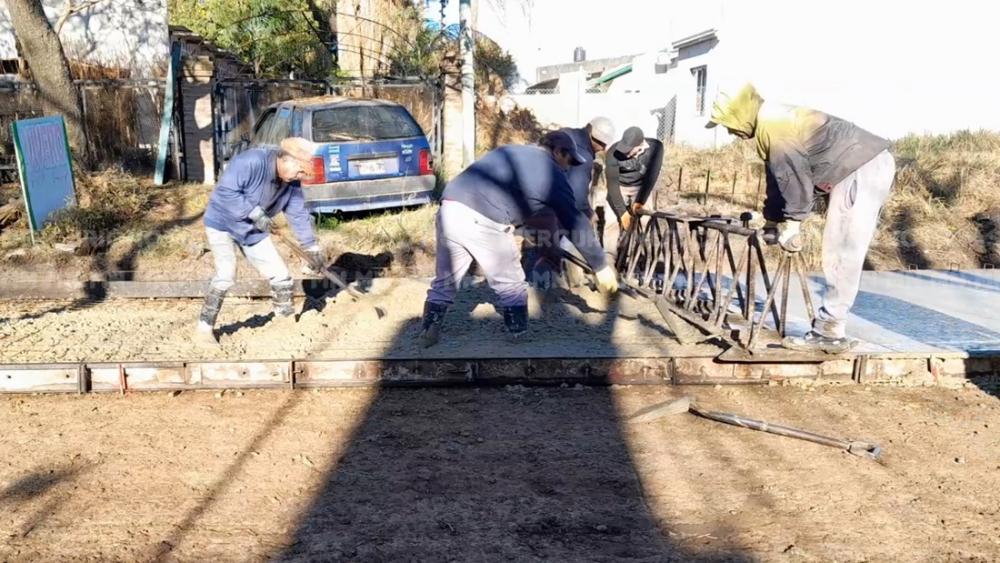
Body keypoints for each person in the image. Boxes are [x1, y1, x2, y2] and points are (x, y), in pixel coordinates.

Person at [706, 83, 895, 353]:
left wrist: (793, 225)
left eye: (728, 124)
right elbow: (777, 177)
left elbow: (794, 176)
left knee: (842, 247)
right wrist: (771, 220)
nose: (730, 132)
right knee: (838, 246)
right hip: (853, 165)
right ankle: (829, 327)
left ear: (739, 114)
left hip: (861, 165)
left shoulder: (775, 124)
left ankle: (830, 331)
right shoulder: (769, 123)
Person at [419, 131, 619, 347]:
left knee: (446, 280)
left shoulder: (508, 150)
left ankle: (428, 331)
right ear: (558, 152)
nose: (567, 168)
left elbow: (512, 196)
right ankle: (518, 339)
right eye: (568, 161)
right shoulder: (552, 173)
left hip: (450, 207)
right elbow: (574, 220)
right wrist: (600, 265)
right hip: (484, 219)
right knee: (511, 284)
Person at [193, 137, 326, 348]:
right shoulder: (251, 161)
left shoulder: (291, 184)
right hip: (222, 225)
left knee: (281, 275)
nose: (300, 177)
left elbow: (298, 214)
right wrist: (254, 212)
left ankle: (285, 327)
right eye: (300, 171)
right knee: (226, 274)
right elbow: (226, 192)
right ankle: (204, 328)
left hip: (252, 230)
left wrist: (311, 246)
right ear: (286, 159)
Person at [524, 116, 617, 281]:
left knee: (538, 243)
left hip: (531, 198)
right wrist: (588, 213)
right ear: (592, 136)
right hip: (550, 205)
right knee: (555, 243)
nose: (602, 149)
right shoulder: (584, 157)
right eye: (601, 144)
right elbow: (578, 194)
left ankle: (533, 279)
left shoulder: (566, 133)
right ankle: (543, 286)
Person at [605, 126, 664, 232]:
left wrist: (640, 201)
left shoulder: (656, 148)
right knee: (611, 223)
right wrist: (622, 213)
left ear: (640, 145)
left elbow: (652, 176)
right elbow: (612, 184)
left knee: (646, 221)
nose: (625, 153)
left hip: (641, 187)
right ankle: (609, 249)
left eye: (628, 150)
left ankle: (639, 246)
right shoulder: (613, 152)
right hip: (619, 187)